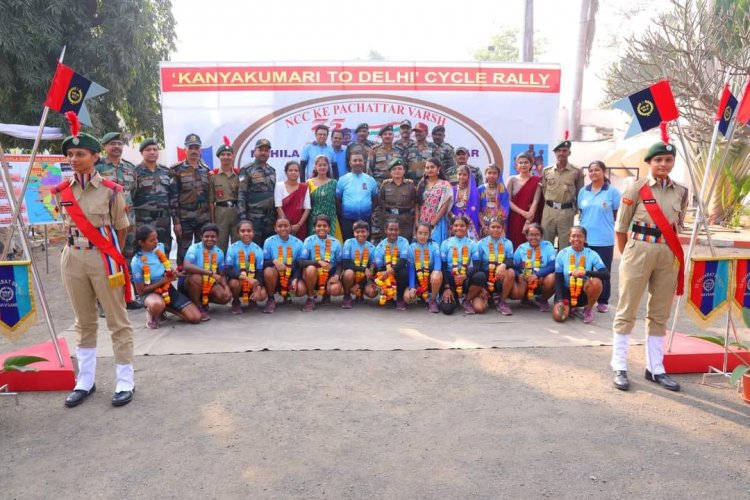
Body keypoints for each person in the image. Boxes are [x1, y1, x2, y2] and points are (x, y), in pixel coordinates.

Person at [54, 123, 135, 408]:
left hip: (103, 259)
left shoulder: (112, 191)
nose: (74, 159)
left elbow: (122, 229)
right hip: (72, 257)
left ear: (95, 157)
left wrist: (111, 255)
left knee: (117, 320)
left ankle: (125, 380)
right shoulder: (62, 190)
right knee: (83, 320)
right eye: (71, 154)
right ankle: (85, 381)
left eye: (80, 154)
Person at [610, 138, 687, 392]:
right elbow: (621, 228)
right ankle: (619, 365)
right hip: (638, 250)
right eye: (658, 160)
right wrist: (629, 255)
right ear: (649, 163)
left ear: (673, 162)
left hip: (668, 254)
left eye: (668, 160)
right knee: (627, 309)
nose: (664, 164)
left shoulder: (681, 191)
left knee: (659, 313)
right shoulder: (636, 189)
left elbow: (677, 224)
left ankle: (655, 368)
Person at [96, 131, 141, 310]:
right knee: (106, 261)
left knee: (127, 259)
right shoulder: (97, 168)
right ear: (105, 147)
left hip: (128, 222)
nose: (116, 146)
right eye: (112, 143)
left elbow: (132, 193)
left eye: (119, 143)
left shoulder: (130, 168)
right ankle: (104, 304)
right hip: (106, 222)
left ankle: (127, 297)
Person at [131, 225, 201, 329]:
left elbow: (165, 266)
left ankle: (166, 307)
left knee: (195, 318)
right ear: (141, 242)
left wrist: (174, 273)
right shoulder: (136, 262)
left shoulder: (160, 247)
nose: (156, 242)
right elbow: (141, 291)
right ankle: (153, 311)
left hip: (167, 288)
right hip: (150, 292)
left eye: (156, 238)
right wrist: (164, 280)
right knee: (157, 305)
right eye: (152, 240)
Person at [578, 160, 621, 313]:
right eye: (591, 171)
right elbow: (582, 213)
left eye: (597, 170)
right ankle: (583, 299)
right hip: (585, 239)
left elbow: (617, 214)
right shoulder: (583, 191)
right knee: (584, 269)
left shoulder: (612, 192)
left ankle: (603, 300)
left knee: (603, 270)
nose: (593, 173)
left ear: (604, 172)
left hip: (604, 239)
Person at [552, 226, 607, 325]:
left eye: (580, 236)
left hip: (583, 294)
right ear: (569, 238)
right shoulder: (562, 254)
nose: (576, 239)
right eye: (573, 236)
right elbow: (558, 279)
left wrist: (585, 272)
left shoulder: (591, 254)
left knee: (596, 282)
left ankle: (588, 309)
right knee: (560, 316)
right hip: (566, 293)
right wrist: (560, 299)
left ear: (585, 239)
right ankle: (570, 307)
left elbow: (606, 274)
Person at [169, 133, 211, 265]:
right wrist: (176, 222)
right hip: (184, 218)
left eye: (196, 148)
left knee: (202, 250)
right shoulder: (176, 169)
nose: (194, 151)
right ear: (185, 149)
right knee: (184, 250)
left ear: (200, 150)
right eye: (190, 148)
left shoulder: (206, 170)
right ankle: (183, 282)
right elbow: (173, 198)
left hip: (202, 218)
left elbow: (209, 197)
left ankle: (200, 280)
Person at [179, 223, 232, 321]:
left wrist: (227, 287)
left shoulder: (219, 252)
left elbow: (221, 275)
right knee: (196, 277)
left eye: (213, 237)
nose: (209, 239)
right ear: (201, 237)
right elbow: (186, 266)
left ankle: (204, 301)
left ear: (217, 238)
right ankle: (197, 304)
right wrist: (210, 273)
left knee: (225, 297)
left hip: (208, 283)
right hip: (190, 282)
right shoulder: (194, 248)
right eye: (206, 236)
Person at [541, 135, 584, 249]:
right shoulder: (547, 171)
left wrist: (576, 211)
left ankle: (563, 266)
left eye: (564, 151)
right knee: (546, 243)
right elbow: (544, 191)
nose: (561, 153)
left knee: (565, 245)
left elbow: (580, 192)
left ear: (569, 153)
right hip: (549, 211)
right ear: (555, 153)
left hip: (566, 212)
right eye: (558, 151)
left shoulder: (576, 171)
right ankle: (548, 267)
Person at [133, 138, 173, 256]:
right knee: (143, 251)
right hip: (143, 220)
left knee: (164, 248)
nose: (152, 152)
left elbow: (172, 195)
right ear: (142, 152)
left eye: (155, 149)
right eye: (148, 149)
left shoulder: (166, 171)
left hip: (163, 220)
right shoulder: (135, 172)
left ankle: (164, 273)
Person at [438, 216, 483, 315]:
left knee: (480, 276)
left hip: (464, 278)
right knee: (447, 309)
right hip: (449, 279)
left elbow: (477, 266)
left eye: (462, 225)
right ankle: (452, 298)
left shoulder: (472, 244)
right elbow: (443, 267)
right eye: (456, 225)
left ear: (467, 228)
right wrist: (446, 287)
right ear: (452, 227)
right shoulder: (446, 243)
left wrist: (465, 276)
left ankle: (467, 301)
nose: (459, 228)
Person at [299, 215, 343, 312]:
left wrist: (337, 275)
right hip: (313, 274)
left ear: (329, 228)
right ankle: (310, 298)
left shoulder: (336, 242)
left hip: (329, 274)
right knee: (310, 269)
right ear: (314, 228)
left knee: (335, 289)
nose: (322, 228)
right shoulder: (309, 241)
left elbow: (340, 263)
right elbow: (301, 262)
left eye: (325, 226)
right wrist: (318, 262)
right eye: (319, 226)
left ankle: (326, 294)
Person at [262, 217, 305, 313]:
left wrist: (295, 279)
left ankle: (287, 295)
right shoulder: (269, 241)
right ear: (275, 228)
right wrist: (274, 261)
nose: (283, 228)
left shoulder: (298, 243)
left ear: (290, 227)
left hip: (291, 273)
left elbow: (299, 265)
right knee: (268, 271)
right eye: (279, 226)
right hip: (275, 275)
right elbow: (263, 263)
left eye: (286, 226)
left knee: (301, 290)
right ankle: (271, 298)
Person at [238, 138, 276, 245]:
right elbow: (241, 194)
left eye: (266, 150)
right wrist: (243, 218)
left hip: (270, 218)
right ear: (255, 152)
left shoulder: (272, 170)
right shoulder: (247, 170)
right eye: (261, 150)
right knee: (253, 249)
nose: (263, 153)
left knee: (268, 249)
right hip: (254, 218)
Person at [224, 220, 267, 314]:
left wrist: (258, 289)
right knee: (235, 283)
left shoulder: (258, 249)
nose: (246, 233)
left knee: (262, 295)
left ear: (253, 232)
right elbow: (227, 270)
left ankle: (252, 299)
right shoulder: (232, 248)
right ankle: (236, 302)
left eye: (249, 231)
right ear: (238, 233)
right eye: (243, 231)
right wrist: (246, 278)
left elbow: (259, 272)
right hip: (237, 280)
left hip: (252, 281)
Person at [476, 218, 516, 315]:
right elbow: (477, 267)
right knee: (479, 308)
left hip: (500, 275)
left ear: (503, 229)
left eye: (498, 227)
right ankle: (486, 296)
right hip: (485, 277)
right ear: (488, 228)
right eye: (493, 227)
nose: (495, 229)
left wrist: (503, 265)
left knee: (510, 272)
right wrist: (481, 287)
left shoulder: (507, 243)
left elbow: (511, 261)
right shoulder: (481, 244)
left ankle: (502, 302)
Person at [513, 223, 557, 312]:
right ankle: (525, 297)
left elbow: (553, 265)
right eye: (531, 235)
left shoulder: (548, 246)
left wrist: (537, 275)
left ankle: (543, 300)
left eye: (537, 235)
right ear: (526, 236)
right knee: (517, 293)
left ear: (541, 236)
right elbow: (514, 266)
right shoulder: (521, 248)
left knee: (553, 277)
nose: (534, 237)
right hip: (526, 279)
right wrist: (519, 275)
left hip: (541, 279)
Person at [336, 152, 378, 240]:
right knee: (348, 245)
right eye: (355, 160)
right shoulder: (343, 180)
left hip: (365, 220)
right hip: (348, 220)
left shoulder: (370, 180)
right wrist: (344, 214)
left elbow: (375, 199)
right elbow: (338, 200)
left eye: (360, 160)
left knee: (365, 248)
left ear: (364, 162)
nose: (357, 163)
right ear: (350, 163)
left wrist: (368, 211)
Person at [209, 138, 240, 254]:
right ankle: (220, 269)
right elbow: (211, 201)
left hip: (236, 211)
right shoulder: (213, 176)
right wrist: (212, 220)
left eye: (229, 154)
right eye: (223, 154)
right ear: (219, 157)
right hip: (220, 212)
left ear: (232, 156)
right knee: (220, 243)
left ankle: (236, 268)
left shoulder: (238, 174)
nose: (226, 157)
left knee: (237, 242)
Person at [373, 219, 411, 310]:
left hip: (399, 270)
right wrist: (385, 274)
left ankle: (400, 298)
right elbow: (380, 267)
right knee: (381, 276)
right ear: (386, 230)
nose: (393, 232)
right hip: (385, 271)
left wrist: (388, 272)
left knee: (404, 274)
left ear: (400, 231)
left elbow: (403, 261)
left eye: (396, 230)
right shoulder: (380, 246)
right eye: (390, 229)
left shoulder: (404, 242)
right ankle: (388, 296)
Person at [507, 152, 543, 249]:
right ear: (516, 165)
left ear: (531, 164)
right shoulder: (512, 180)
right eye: (520, 163)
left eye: (526, 162)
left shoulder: (537, 180)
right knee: (514, 242)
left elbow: (536, 201)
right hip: (515, 217)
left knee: (530, 243)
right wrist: (523, 213)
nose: (523, 165)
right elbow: (508, 201)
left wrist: (528, 220)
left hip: (531, 217)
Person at [404, 223, 442, 313]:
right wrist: (412, 286)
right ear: (415, 233)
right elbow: (411, 268)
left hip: (430, 277)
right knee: (407, 298)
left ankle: (432, 300)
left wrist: (436, 271)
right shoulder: (411, 248)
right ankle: (420, 296)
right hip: (418, 276)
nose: (423, 236)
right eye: (420, 233)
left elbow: (438, 263)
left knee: (437, 275)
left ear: (429, 234)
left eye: (426, 234)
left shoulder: (434, 246)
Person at [340, 220, 377, 309]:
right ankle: (347, 296)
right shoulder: (349, 243)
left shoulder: (372, 247)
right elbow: (345, 265)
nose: (360, 234)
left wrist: (358, 285)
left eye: (363, 231)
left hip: (364, 278)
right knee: (349, 273)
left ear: (368, 233)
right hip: (351, 274)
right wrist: (363, 269)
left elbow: (372, 270)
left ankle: (360, 293)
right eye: (357, 232)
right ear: (354, 233)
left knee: (373, 292)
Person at [377, 159, 416, 242]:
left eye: (399, 169)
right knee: (389, 244)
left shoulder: (410, 185)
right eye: (394, 169)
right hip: (389, 218)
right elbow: (381, 202)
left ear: (404, 171)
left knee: (405, 242)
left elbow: (414, 201)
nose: (397, 171)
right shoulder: (385, 185)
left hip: (405, 219)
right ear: (390, 172)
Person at [415, 157, 453, 244]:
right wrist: (417, 221)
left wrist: (432, 223)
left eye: (432, 167)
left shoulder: (445, 185)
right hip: (422, 221)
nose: (429, 170)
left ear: (438, 169)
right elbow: (417, 203)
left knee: (435, 246)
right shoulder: (422, 183)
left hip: (437, 223)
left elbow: (444, 206)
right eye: (427, 167)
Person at [306, 154, 342, 241]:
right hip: (314, 221)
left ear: (328, 167)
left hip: (331, 220)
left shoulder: (334, 183)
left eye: (325, 165)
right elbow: (306, 204)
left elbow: (338, 202)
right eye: (320, 165)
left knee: (332, 246)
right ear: (315, 166)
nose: (322, 167)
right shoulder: (308, 183)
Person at [274, 160, 310, 240]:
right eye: (290, 170)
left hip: (300, 226)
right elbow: (278, 206)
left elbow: (307, 208)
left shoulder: (304, 187)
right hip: (282, 226)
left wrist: (299, 225)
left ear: (299, 172)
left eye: (296, 170)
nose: (293, 172)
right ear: (286, 172)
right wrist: (287, 225)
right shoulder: (279, 186)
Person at [478, 163, 510, 238]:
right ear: (485, 174)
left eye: (494, 173)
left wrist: (497, 225)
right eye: (489, 173)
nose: (491, 175)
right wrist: (483, 226)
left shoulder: (502, 190)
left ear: (498, 175)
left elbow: (505, 209)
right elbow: (477, 209)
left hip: (498, 226)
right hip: (483, 225)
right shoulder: (480, 189)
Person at [449, 165, 481, 240]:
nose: (461, 176)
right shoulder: (452, 190)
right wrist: (454, 217)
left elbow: (475, 208)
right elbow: (448, 208)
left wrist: (466, 219)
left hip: (469, 222)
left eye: (464, 174)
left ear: (469, 176)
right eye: (459, 174)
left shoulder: (474, 191)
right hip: (455, 221)